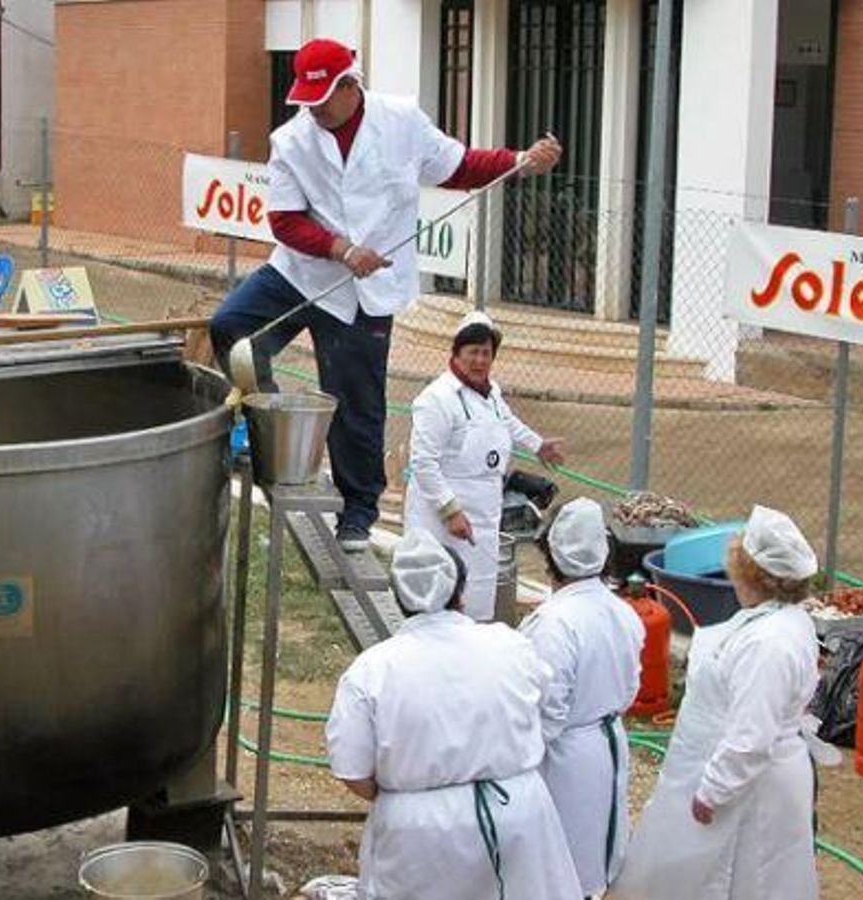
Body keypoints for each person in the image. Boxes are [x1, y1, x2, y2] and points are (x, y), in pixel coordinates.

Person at [209, 37, 561, 552]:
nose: (314, 110)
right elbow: (283, 219)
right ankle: (271, 425)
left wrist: (519, 161)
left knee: (358, 406)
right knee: (232, 326)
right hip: (302, 271)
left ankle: (357, 511)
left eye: (323, 97)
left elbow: (457, 166)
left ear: (351, 85)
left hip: (369, 290)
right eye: (305, 101)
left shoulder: (401, 121)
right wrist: (339, 248)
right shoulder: (290, 140)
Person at [324, 529, 579, 899]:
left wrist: (411, 793)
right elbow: (541, 703)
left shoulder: (373, 669)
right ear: (461, 592)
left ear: (397, 598)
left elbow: (354, 773)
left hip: (419, 832)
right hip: (514, 812)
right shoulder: (509, 644)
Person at [612, 505, 822, 899]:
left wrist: (713, 790)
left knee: (750, 876)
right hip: (756, 776)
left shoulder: (768, 643)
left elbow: (752, 734)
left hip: (756, 787)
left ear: (751, 572)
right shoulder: (775, 622)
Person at [519, 497, 645, 896]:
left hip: (566, 756)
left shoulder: (553, 623)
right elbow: (630, 687)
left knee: (558, 862)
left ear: (551, 554)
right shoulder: (621, 611)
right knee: (599, 850)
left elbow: (547, 714)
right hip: (607, 741)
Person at [403, 310, 564, 620]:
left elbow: (508, 422)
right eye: (473, 353)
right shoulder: (436, 399)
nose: (479, 361)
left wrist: (538, 445)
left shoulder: (491, 393)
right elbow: (423, 463)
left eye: (486, 354)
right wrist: (450, 511)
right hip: (442, 514)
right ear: (457, 354)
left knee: (476, 596)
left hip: (484, 510)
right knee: (439, 594)